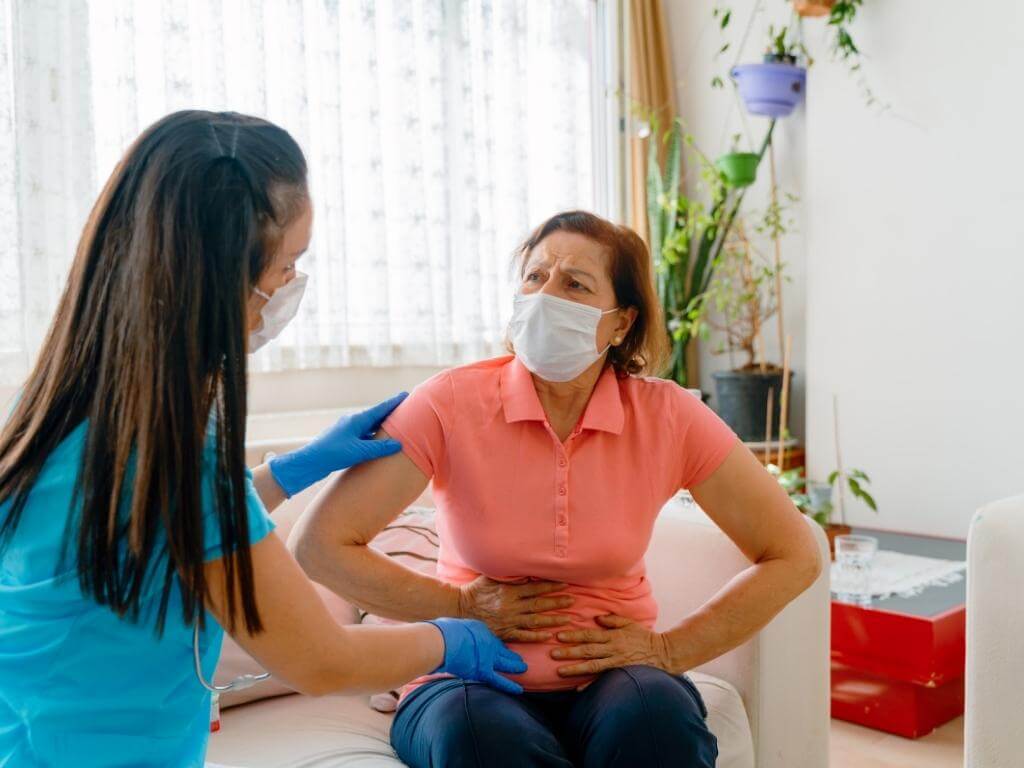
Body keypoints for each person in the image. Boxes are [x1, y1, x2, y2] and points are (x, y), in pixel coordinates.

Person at [0, 110, 522, 768]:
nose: (287, 289)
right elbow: (321, 661)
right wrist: (451, 639)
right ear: (216, 283)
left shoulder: (48, 410)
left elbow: (156, 535)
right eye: (286, 266)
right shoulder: (174, 462)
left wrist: (288, 473)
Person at [290, 210, 824, 767]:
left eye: (574, 284)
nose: (545, 295)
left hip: (613, 678)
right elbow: (320, 545)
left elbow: (794, 554)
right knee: (479, 737)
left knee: (656, 721)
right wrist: (459, 604)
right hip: (466, 679)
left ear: (621, 323)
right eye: (534, 276)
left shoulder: (669, 416)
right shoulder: (448, 403)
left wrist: (672, 649)